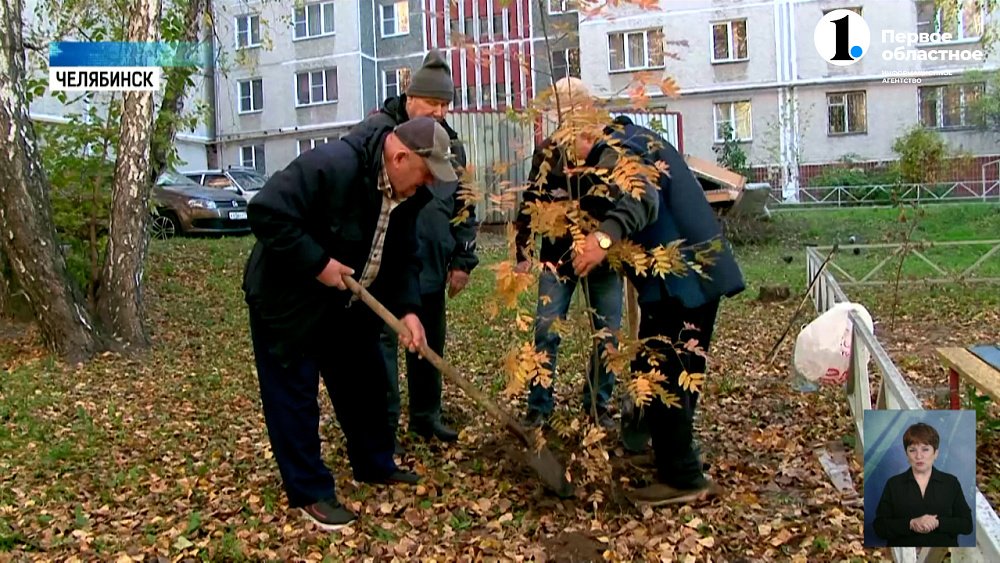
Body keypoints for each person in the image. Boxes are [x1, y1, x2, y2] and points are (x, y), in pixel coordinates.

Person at [243, 117, 458, 531]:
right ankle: (309, 491)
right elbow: (266, 212)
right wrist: (318, 263)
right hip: (288, 300)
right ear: (399, 157)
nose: (427, 185)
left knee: (366, 382)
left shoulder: (408, 197)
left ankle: (373, 463)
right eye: (425, 174)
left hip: (346, 302)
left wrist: (409, 310)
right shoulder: (332, 165)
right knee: (295, 395)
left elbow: (402, 259)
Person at [574, 118, 746, 506]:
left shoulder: (615, 150)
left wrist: (603, 237)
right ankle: (674, 460)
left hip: (680, 282)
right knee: (676, 370)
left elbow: (642, 198)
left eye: (567, 145)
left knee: (662, 373)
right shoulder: (636, 138)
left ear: (582, 132)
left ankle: (683, 479)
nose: (569, 158)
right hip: (694, 276)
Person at [351, 49, 479, 449]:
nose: (440, 111)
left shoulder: (451, 147)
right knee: (381, 349)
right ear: (410, 98)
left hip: (431, 263)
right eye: (432, 102)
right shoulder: (378, 133)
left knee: (428, 343)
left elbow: (465, 204)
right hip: (383, 267)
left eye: (445, 104)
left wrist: (463, 259)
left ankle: (426, 416)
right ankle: (383, 426)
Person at [515, 78, 646, 430]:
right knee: (546, 331)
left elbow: (625, 199)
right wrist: (522, 251)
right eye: (562, 113)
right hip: (556, 257)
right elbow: (531, 201)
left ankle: (596, 408)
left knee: (608, 334)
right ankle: (539, 408)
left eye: (577, 111)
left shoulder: (609, 149)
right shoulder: (546, 154)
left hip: (602, 256)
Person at [872, 422, 973, 547]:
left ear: (935, 453)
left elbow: (967, 524)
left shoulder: (951, 483)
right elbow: (879, 527)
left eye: (925, 449)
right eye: (912, 450)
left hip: (942, 555)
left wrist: (938, 523)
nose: (919, 456)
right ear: (906, 454)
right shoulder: (894, 484)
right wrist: (911, 524)